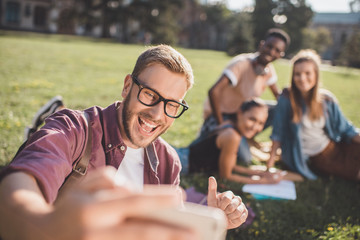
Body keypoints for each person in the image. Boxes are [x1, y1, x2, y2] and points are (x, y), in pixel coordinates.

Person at [0, 45, 248, 240]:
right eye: (150, 94)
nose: (157, 114)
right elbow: (16, 189)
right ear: (127, 85)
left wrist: (208, 222)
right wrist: (43, 227)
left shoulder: (167, 162)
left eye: (172, 104)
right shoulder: (74, 128)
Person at [266, 49, 360, 181]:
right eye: (297, 74)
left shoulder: (327, 99)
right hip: (322, 157)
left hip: (338, 146)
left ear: (316, 74)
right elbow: (278, 132)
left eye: (307, 73)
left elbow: (346, 129)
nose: (302, 78)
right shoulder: (287, 98)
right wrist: (269, 164)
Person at [200, 28, 291, 164]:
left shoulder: (268, 70)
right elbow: (213, 91)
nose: (271, 52)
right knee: (245, 159)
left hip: (242, 116)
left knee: (280, 107)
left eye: (277, 50)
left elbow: (278, 98)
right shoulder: (241, 64)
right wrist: (221, 123)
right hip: (222, 115)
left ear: (281, 54)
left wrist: (289, 97)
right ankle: (241, 140)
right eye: (269, 46)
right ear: (262, 45)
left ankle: (249, 140)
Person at [177, 98, 301, 184]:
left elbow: (230, 165)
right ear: (240, 113)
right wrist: (264, 181)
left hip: (182, 155)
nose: (255, 127)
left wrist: (257, 172)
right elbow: (226, 176)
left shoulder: (231, 126)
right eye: (252, 119)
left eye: (261, 123)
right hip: (180, 162)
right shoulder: (232, 136)